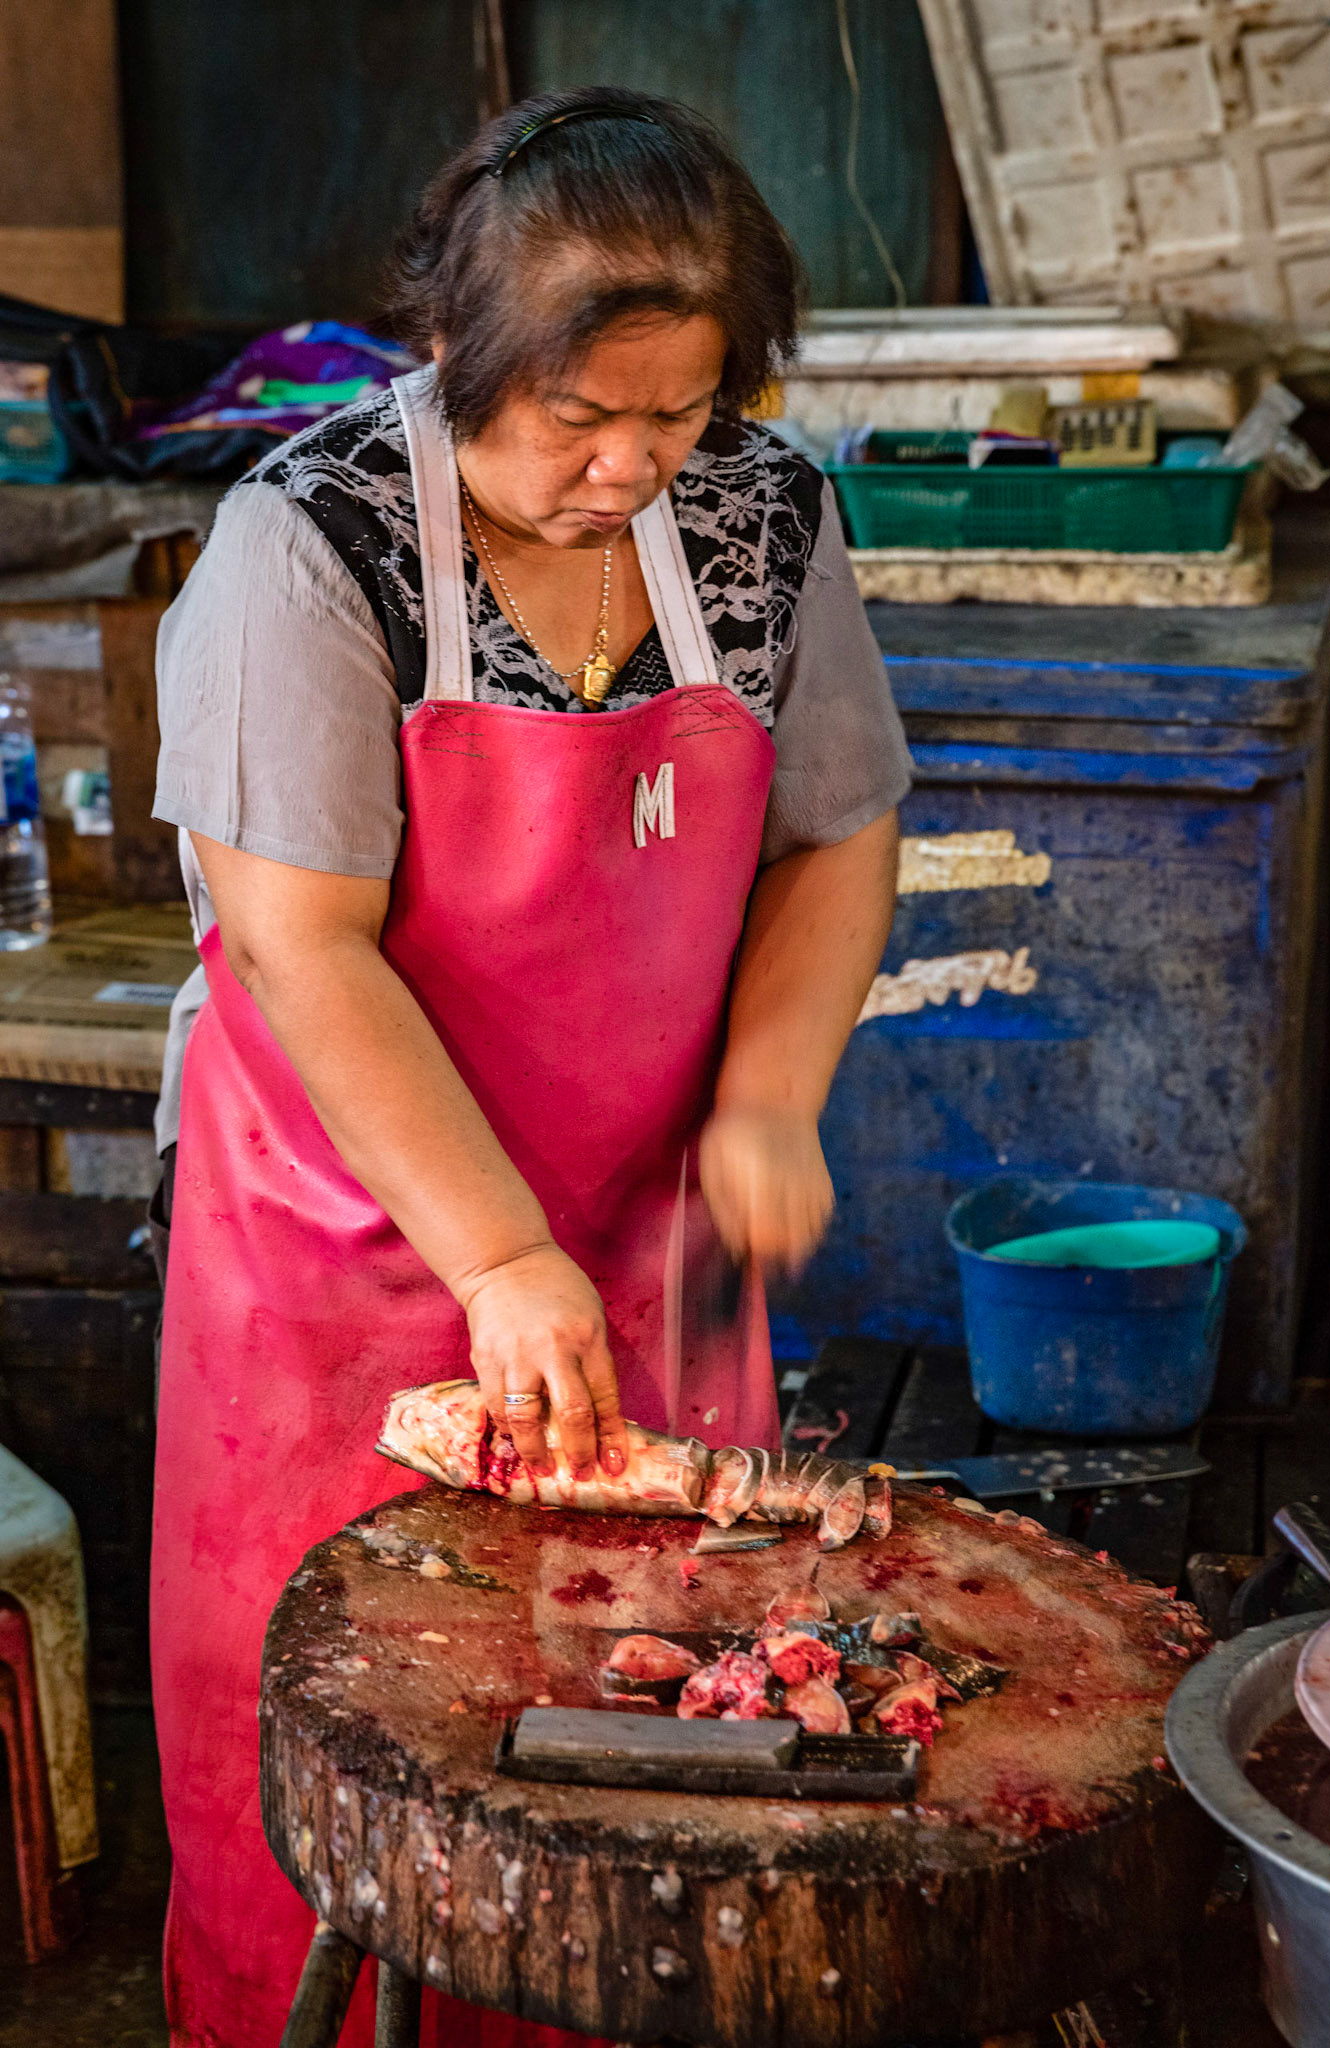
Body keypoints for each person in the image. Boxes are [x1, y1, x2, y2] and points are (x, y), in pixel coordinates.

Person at [149, 86, 908, 2048]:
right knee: (373, 1738)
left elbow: (834, 836)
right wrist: (493, 1255)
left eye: (679, 412)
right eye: (580, 415)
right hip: (351, 1239)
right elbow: (301, 942)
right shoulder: (308, 545)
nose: (632, 466)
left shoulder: (758, 516)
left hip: (648, 1217)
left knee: (663, 1716)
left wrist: (765, 1098)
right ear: (463, 351)